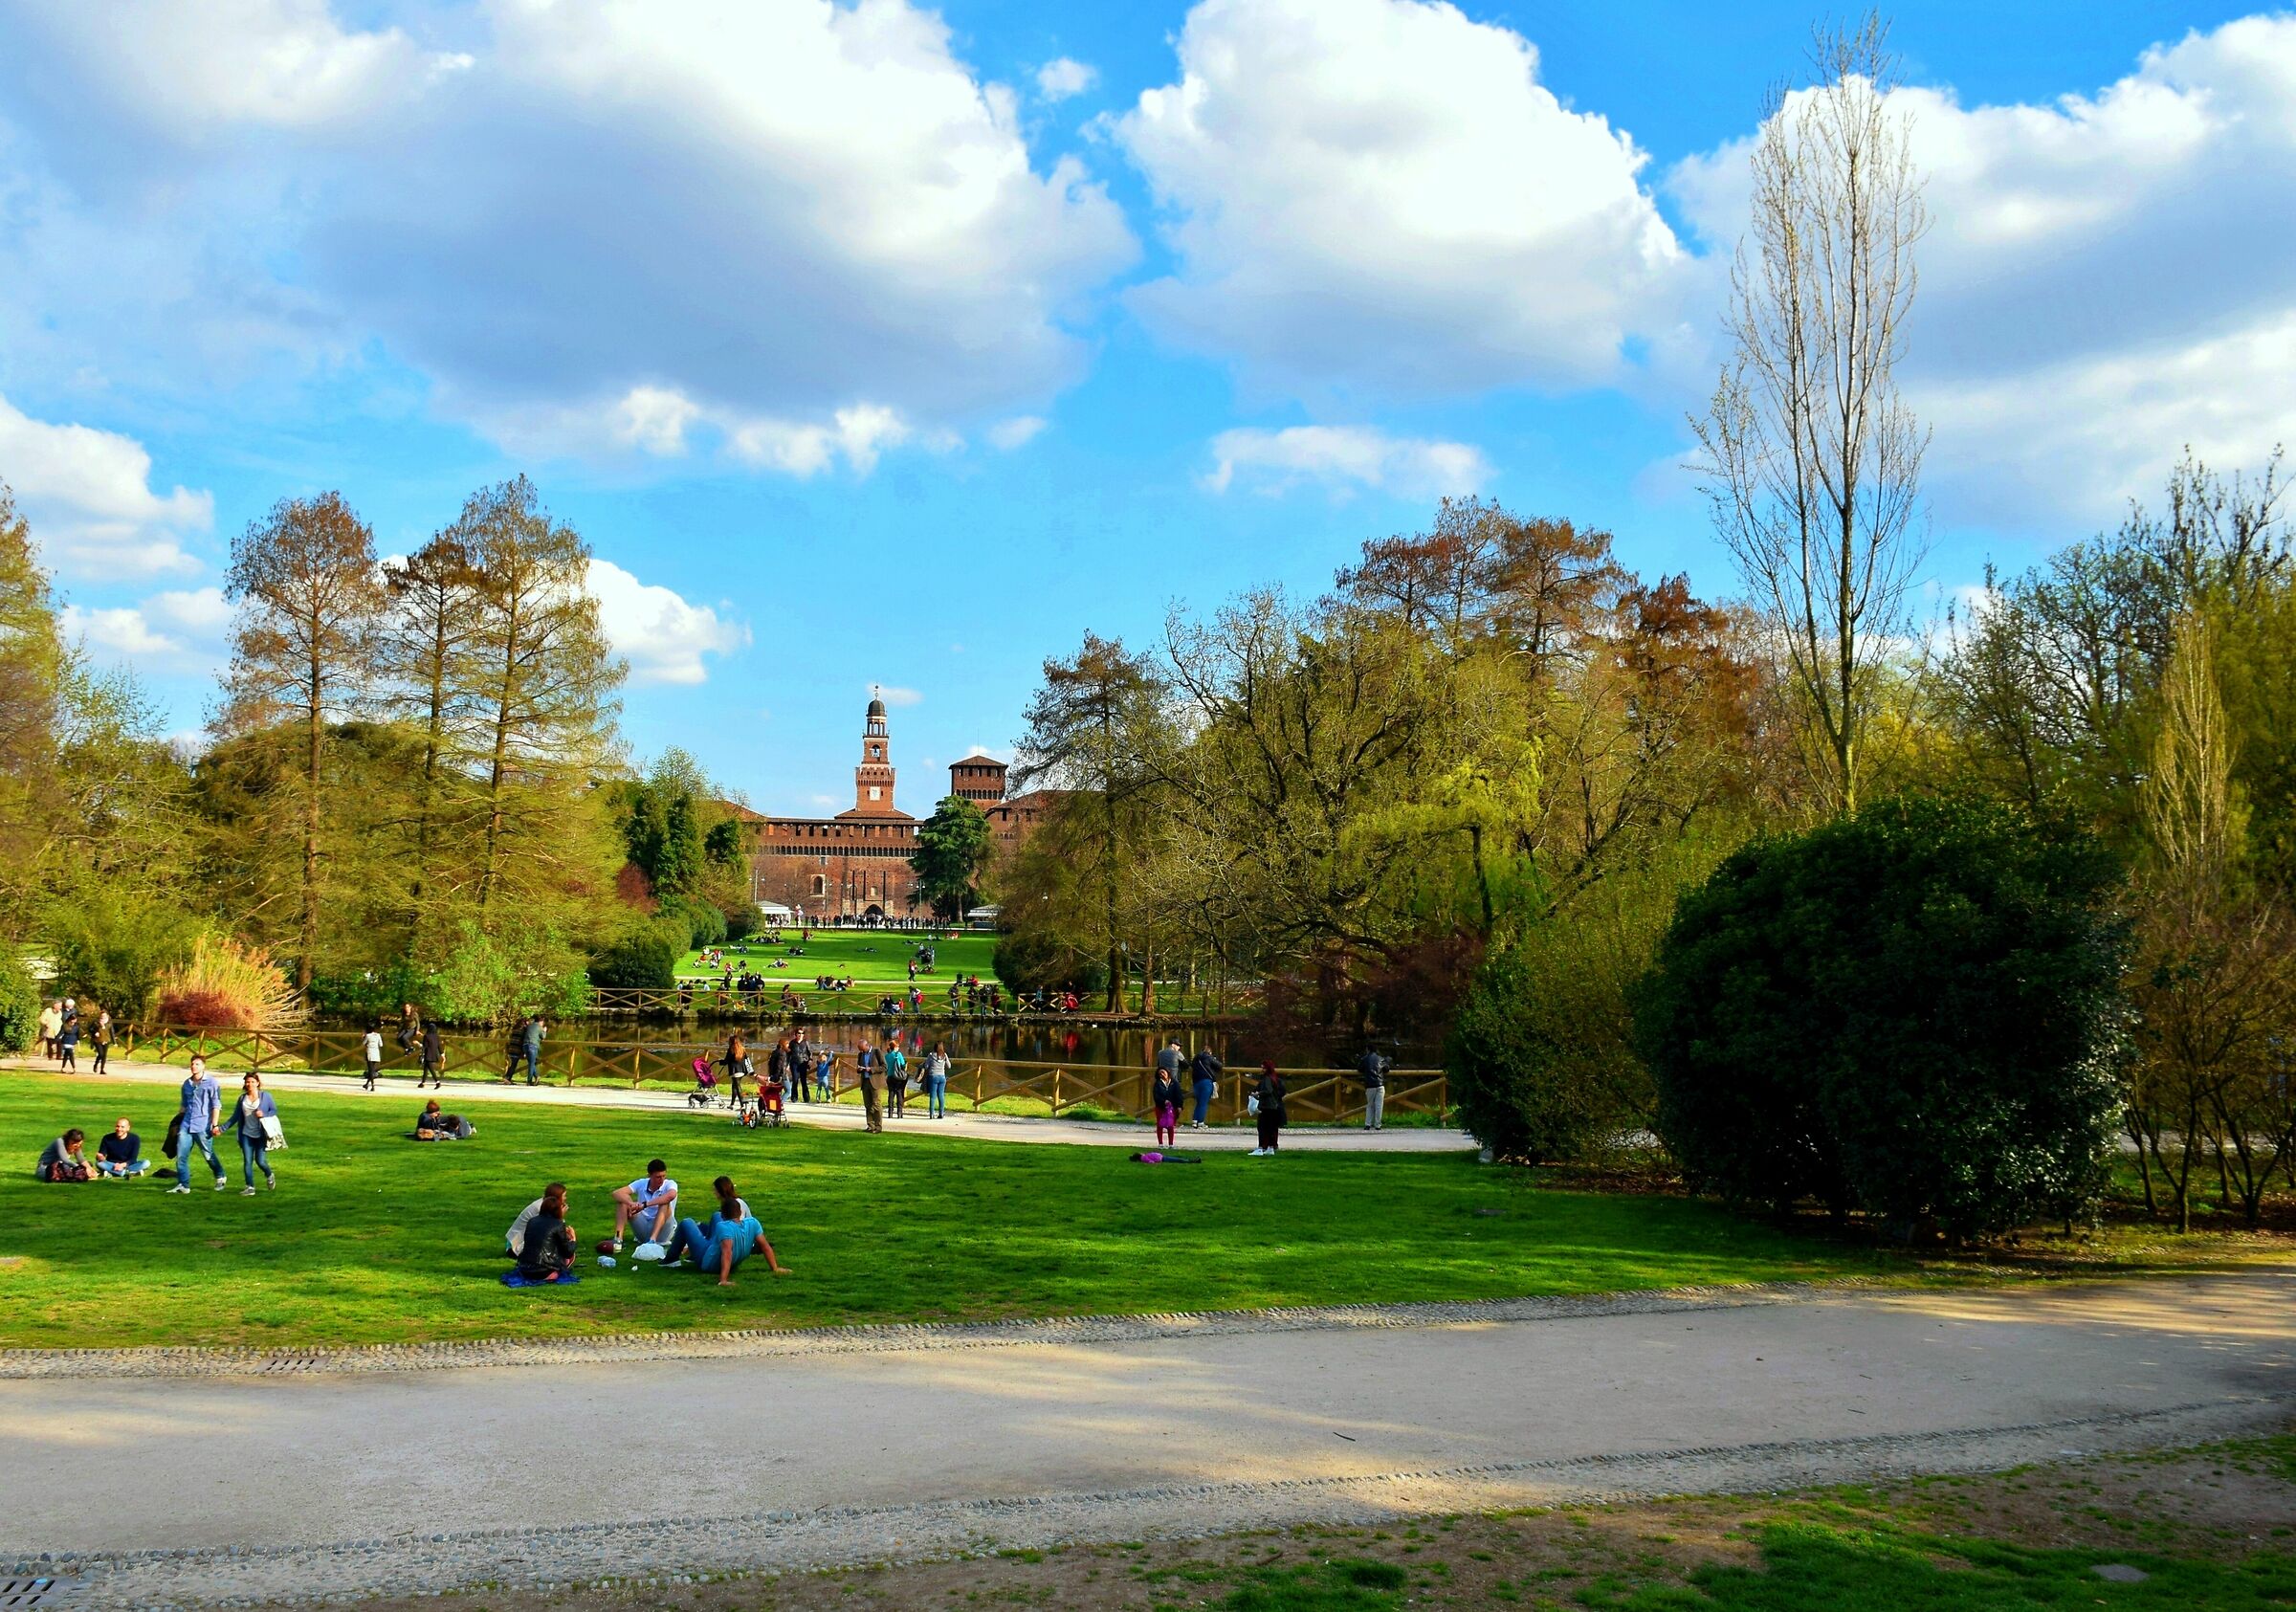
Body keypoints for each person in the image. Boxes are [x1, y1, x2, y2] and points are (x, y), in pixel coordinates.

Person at [660, 1175, 788, 1286]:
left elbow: (727, 1252)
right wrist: (775, 1268)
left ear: (725, 1215)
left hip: (709, 1264)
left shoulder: (724, 1227)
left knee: (687, 1223)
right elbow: (765, 1246)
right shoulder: (753, 1223)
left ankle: (671, 1259)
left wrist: (723, 1280)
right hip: (729, 1259)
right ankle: (693, 1252)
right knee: (713, 1218)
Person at [170, 1054, 228, 1193]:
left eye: (197, 1064)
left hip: (203, 1125)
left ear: (203, 1066)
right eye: (192, 1064)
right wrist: (176, 1122)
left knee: (208, 1155)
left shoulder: (211, 1082)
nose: (193, 1067)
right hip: (186, 1124)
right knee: (181, 1156)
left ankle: (220, 1176)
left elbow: (216, 1105)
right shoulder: (186, 1084)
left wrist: (214, 1125)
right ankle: (183, 1185)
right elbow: (183, 1105)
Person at [222, 1071, 279, 1194]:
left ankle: (269, 1175)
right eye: (247, 1082)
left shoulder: (266, 1096)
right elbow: (235, 1117)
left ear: (258, 1083)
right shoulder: (242, 1099)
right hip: (246, 1134)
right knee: (247, 1161)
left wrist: (264, 1114)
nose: (250, 1084)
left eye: (253, 1082)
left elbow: (274, 1110)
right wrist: (221, 1129)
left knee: (260, 1161)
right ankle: (250, 1187)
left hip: (261, 1135)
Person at [515, 1182, 578, 1282]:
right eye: (564, 1196)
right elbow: (567, 1252)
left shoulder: (533, 1220)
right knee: (566, 1256)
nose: (565, 1199)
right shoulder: (557, 1223)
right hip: (541, 1267)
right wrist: (573, 1239)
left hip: (525, 1267)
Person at [608, 1159, 678, 1250]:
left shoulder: (670, 1184)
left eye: (663, 1176)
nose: (661, 1180)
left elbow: (671, 1195)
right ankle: (618, 1239)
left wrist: (645, 1205)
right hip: (643, 1226)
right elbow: (617, 1193)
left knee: (664, 1203)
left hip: (663, 1231)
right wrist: (631, 1203)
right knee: (622, 1202)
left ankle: (652, 1241)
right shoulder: (642, 1183)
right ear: (649, 1176)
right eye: (658, 1177)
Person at [1249, 1061, 1286, 1157]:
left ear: (1267, 1069)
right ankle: (1270, 1147)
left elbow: (1268, 1091)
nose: (1262, 1070)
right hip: (1273, 1106)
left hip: (1266, 1106)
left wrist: (1258, 1094)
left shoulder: (1266, 1079)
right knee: (1271, 1128)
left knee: (1262, 1127)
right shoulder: (1274, 1079)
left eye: (1264, 1068)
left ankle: (1260, 1148)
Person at [1189, 1045, 1223, 1130]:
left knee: (1199, 1102)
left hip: (1196, 1082)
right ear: (1209, 1052)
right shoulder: (1208, 1057)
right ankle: (1200, 1122)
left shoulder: (1195, 1059)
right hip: (1206, 1082)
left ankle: (1194, 1121)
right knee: (1203, 1103)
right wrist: (1214, 1059)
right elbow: (1219, 1066)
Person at [1357, 1045, 1390, 1132]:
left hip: (1370, 1085)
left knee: (1370, 1105)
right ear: (1376, 1050)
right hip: (1380, 1084)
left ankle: (1367, 1125)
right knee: (1379, 1106)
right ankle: (1378, 1125)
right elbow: (1387, 1069)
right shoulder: (1381, 1058)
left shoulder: (1364, 1059)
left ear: (1368, 1049)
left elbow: (1359, 1069)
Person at [1151, 1058, 1182, 1148]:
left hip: (1172, 1108)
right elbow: (1156, 1096)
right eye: (1160, 1073)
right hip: (1161, 1107)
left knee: (1171, 1126)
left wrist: (1179, 1106)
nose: (1162, 1074)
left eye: (1163, 1072)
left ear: (1168, 1072)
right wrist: (1163, 1101)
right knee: (1160, 1125)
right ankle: (1160, 1143)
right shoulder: (1157, 1084)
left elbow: (1179, 1095)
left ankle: (1171, 1144)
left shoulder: (1174, 1083)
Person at [857, 1046, 882, 1134]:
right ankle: (870, 1126)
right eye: (860, 1050)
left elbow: (884, 1067)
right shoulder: (861, 1054)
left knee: (876, 1104)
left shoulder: (876, 1052)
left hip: (874, 1082)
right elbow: (858, 1067)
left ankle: (878, 1127)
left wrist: (871, 1069)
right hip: (865, 1081)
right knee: (867, 1105)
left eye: (862, 1049)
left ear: (867, 1046)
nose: (861, 1051)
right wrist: (860, 1069)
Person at [922, 1042, 950, 1119]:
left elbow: (926, 1066)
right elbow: (949, 1066)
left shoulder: (931, 1055)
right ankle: (941, 1113)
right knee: (941, 1095)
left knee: (933, 1096)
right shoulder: (944, 1055)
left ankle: (931, 1114)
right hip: (942, 1077)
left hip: (933, 1076)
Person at [885, 1039, 909, 1118]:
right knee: (899, 1093)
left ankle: (890, 1113)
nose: (898, 1048)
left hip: (890, 1076)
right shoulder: (899, 1055)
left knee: (891, 1094)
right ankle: (899, 1112)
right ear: (895, 1047)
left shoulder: (887, 1056)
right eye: (898, 1046)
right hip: (898, 1077)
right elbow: (902, 1064)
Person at [418, 1020, 444, 1090]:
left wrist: (418, 1044)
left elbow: (424, 1046)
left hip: (428, 1054)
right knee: (426, 1069)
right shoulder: (437, 1036)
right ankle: (422, 1083)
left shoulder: (426, 1036)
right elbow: (439, 1046)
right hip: (434, 1054)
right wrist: (442, 1054)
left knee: (431, 1069)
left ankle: (437, 1082)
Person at [521, 1014, 545, 1086]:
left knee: (531, 1063)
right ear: (541, 1021)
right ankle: (529, 1081)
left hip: (525, 1046)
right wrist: (544, 1031)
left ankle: (537, 1076)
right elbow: (543, 1036)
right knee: (532, 1064)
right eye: (543, 1022)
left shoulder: (530, 1026)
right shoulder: (539, 1027)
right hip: (533, 1046)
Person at [89, 1009, 112, 1076]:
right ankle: (96, 1064)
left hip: (106, 1040)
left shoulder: (109, 1023)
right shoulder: (96, 1022)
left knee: (104, 1055)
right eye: (102, 1016)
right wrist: (95, 1032)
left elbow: (111, 1032)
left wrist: (114, 1041)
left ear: (107, 1016)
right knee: (101, 1054)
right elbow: (90, 1029)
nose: (103, 1017)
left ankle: (102, 1069)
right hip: (98, 1040)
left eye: (104, 1016)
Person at [361, 1023, 383, 1091]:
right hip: (376, 1052)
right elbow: (381, 1044)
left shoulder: (368, 1036)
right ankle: (367, 1084)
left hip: (369, 1052)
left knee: (371, 1070)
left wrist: (363, 1037)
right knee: (372, 1069)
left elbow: (363, 1043)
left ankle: (373, 1085)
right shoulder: (378, 1035)